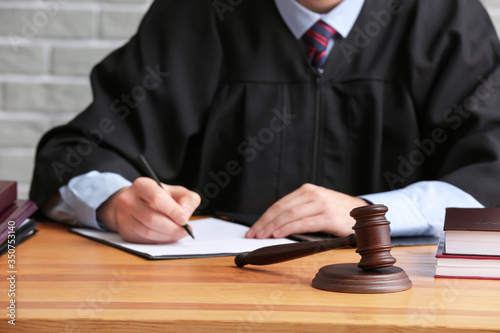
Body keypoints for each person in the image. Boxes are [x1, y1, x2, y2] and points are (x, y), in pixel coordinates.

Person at [30, 0, 500, 244]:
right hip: (214, 303)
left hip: (401, 306)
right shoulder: (201, 14)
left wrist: (370, 212)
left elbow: (491, 173)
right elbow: (81, 148)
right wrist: (116, 204)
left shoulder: (445, 19)